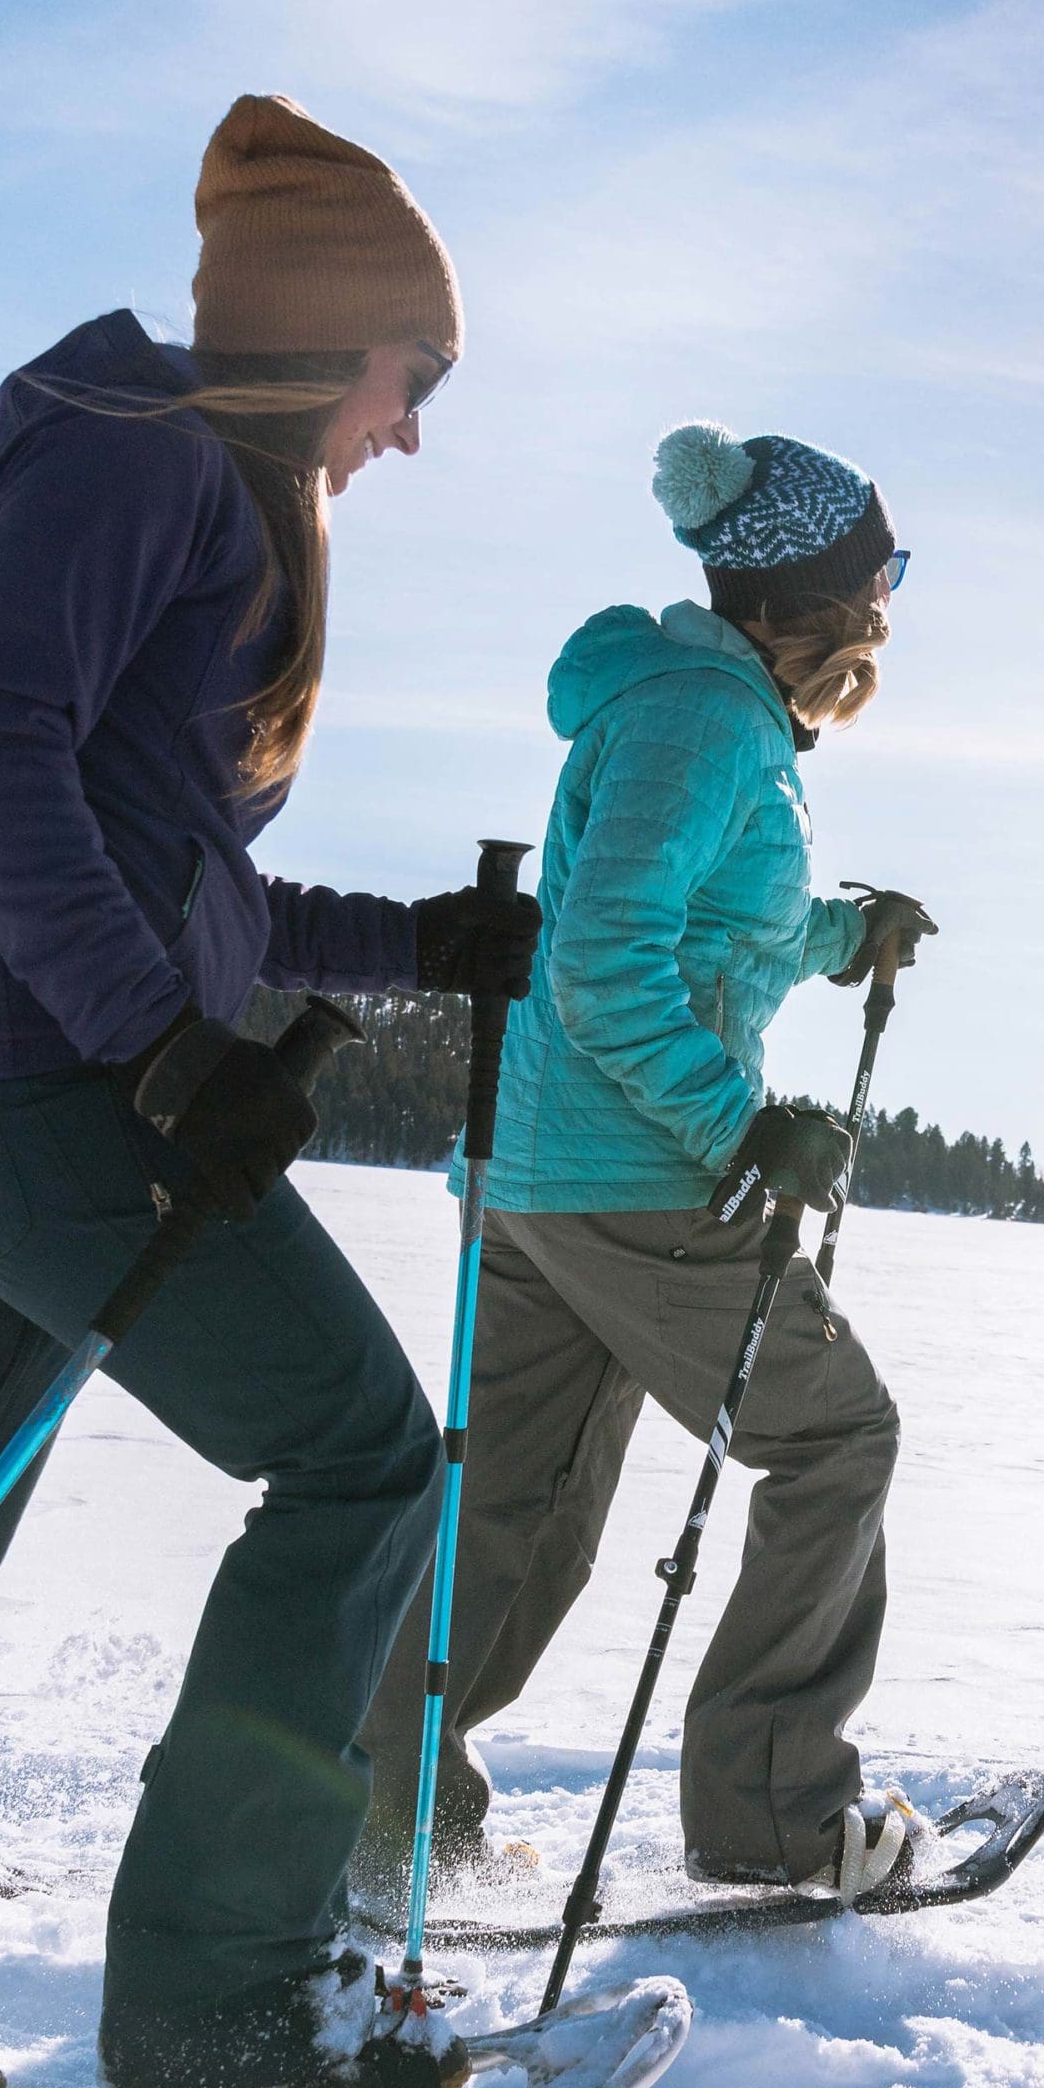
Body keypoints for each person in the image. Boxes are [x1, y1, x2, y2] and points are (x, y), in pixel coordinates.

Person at [0, 94, 540, 2088]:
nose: (415, 428)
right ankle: (227, 1988)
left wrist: (416, 936)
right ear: (336, 330)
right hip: (38, 1082)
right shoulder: (147, 465)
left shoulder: (206, 493)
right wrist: (158, 1045)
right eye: (422, 374)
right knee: (363, 1457)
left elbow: (185, 868)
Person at [357, 420, 934, 1913]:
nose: (893, 603)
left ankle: (381, 1810)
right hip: (638, 1179)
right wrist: (736, 1126)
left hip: (545, 1179)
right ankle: (773, 1815)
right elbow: (604, 960)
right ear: (808, 590)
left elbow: (703, 923)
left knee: (524, 1511)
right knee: (834, 1438)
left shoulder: (696, 706)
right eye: (885, 572)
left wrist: (835, 934)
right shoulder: (703, 720)